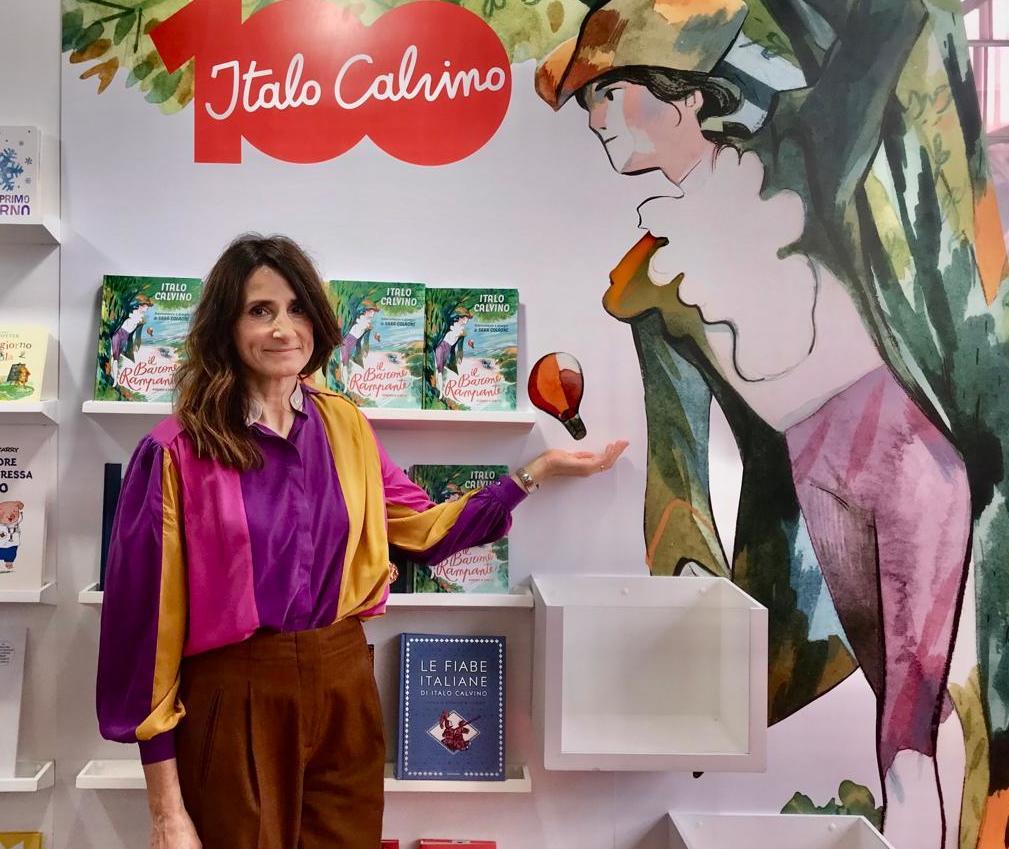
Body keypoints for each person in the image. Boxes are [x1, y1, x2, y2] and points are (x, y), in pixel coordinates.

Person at [535, 0, 1003, 846]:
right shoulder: (644, 285)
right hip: (812, 473)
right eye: (588, 103)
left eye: (609, 93)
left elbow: (880, 39)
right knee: (891, 687)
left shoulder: (797, 149)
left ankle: (922, 820)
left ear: (683, 96)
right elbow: (675, 442)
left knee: (909, 702)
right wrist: (686, 564)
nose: (596, 119)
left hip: (904, 446)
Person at [96, 234, 627, 849]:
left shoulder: (344, 423)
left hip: (344, 686)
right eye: (260, 310)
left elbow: (425, 532)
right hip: (236, 694)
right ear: (225, 326)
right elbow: (144, 633)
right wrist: (166, 811)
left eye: (297, 308)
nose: (283, 329)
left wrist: (534, 475)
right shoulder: (174, 452)